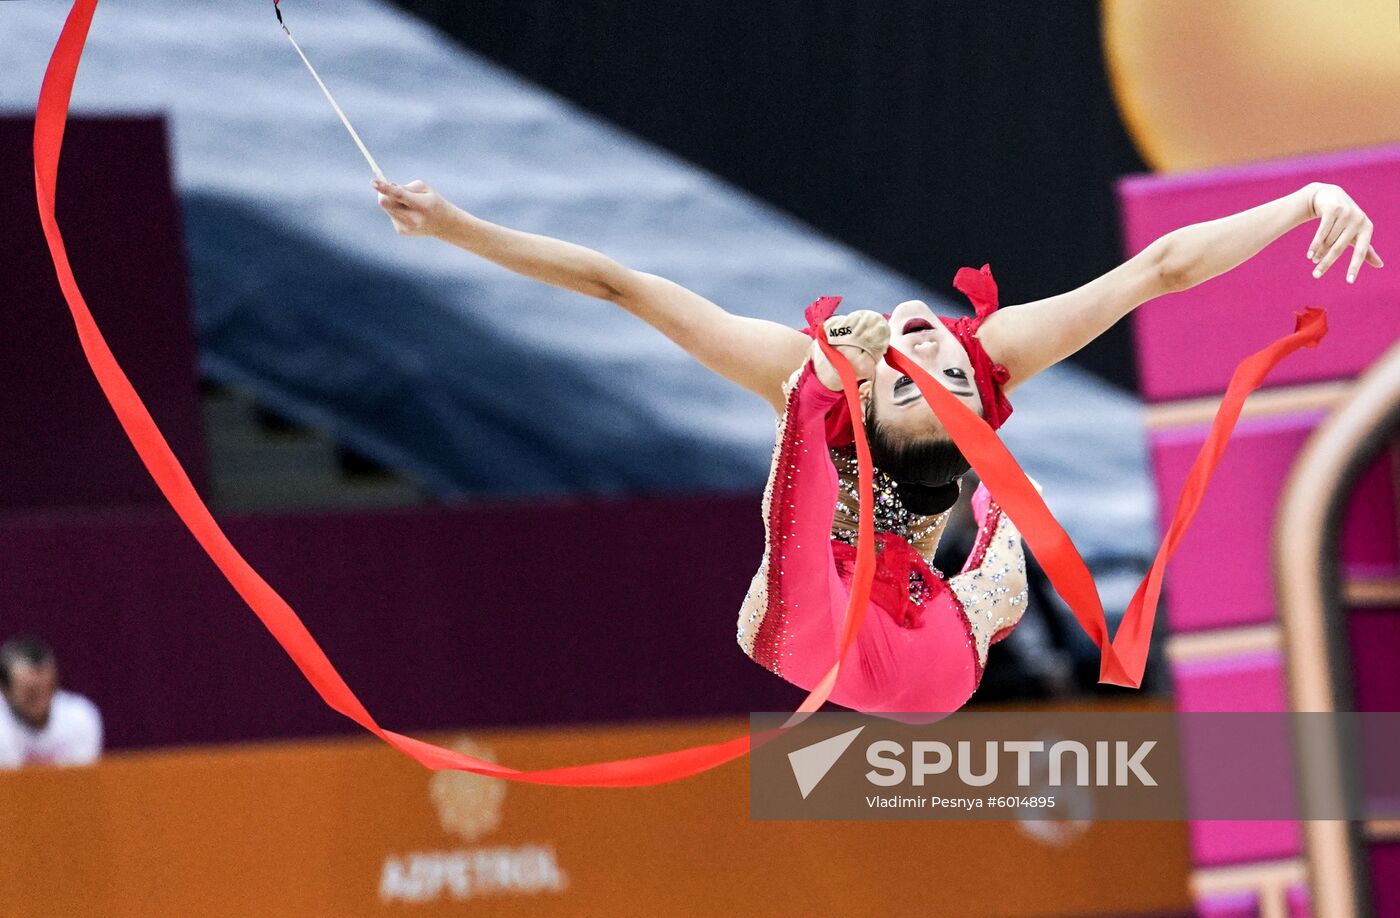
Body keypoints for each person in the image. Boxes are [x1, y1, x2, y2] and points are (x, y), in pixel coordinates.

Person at [371, 177, 1381, 711]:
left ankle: (828, 457)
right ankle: (981, 573)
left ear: (869, 407)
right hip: (914, 629)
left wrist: (458, 229)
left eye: (914, 378)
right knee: (999, 583)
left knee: (803, 414)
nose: (928, 351)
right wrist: (1299, 205)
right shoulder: (988, 362)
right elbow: (1153, 272)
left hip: (804, 614)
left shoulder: (822, 377)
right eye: (940, 373)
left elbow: (625, 287)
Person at [0, 637, 103, 769]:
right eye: (31, 693)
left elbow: (81, 781)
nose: (41, 701)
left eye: (49, 688)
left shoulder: (81, 717)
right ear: (5, 690)